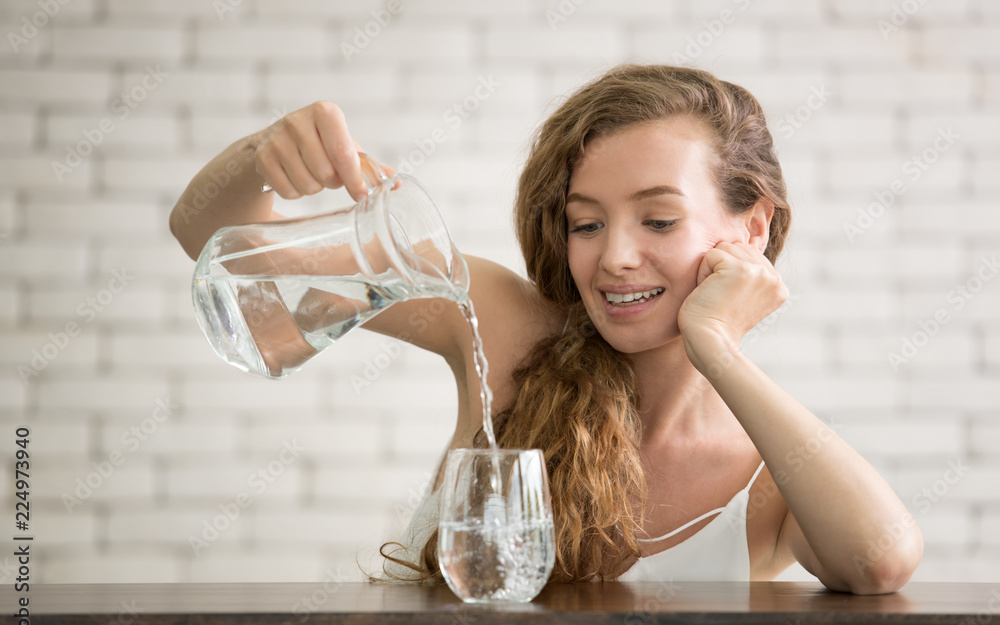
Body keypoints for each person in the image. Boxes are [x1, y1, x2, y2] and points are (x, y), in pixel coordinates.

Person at [171, 64, 923, 594]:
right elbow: (218, 244)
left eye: (658, 218)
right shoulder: (505, 324)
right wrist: (263, 158)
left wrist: (717, 349)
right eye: (586, 223)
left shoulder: (770, 473)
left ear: (752, 226)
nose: (616, 257)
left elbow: (882, 561)